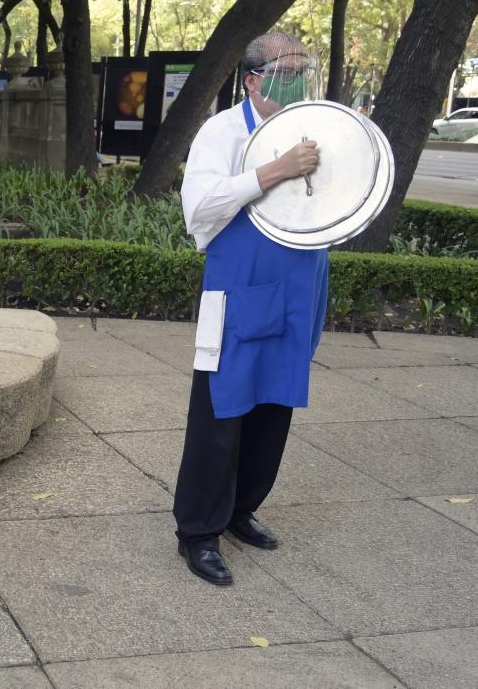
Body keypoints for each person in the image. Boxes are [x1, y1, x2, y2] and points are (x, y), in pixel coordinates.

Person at [172, 31, 327, 586]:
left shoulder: (317, 127)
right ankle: (198, 531)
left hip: (295, 287)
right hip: (237, 292)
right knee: (221, 412)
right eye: (288, 69)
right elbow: (199, 207)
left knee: (273, 407)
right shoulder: (223, 131)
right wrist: (275, 170)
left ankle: (241, 510)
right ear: (254, 78)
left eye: (304, 69)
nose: (298, 79)